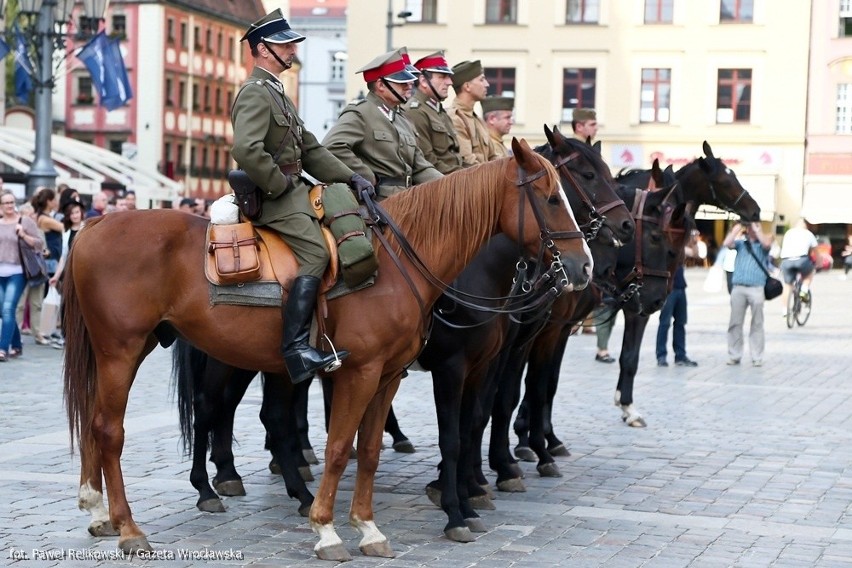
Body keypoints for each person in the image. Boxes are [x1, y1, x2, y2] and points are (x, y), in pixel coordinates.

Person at [231, 8, 374, 384]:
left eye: (292, 44)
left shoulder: (279, 94)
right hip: (275, 197)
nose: (293, 50)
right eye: (285, 44)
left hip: (294, 191)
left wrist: (352, 177)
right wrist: (280, 185)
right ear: (263, 49)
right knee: (315, 252)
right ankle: (295, 348)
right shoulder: (255, 93)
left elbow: (310, 150)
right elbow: (246, 149)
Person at [323, 48, 442, 200]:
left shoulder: (402, 119)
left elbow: (419, 166)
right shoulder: (361, 113)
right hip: (376, 201)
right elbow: (332, 147)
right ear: (381, 85)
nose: (410, 84)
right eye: (402, 82)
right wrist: (367, 176)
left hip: (408, 199)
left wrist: (450, 185)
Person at [0, 190, 44, 362]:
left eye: (12, 202)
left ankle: (3, 348)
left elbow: (39, 244)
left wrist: (24, 235)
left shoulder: (24, 221)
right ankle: (17, 344)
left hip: (17, 273)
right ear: (1, 206)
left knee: (8, 308)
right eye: (6, 203)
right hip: (0, 273)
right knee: (3, 311)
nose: (9, 206)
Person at [403, 51, 464, 174]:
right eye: (442, 77)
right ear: (424, 81)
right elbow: (428, 161)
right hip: (439, 183)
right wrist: (466, 176)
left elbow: (454, 156)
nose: (449, 82)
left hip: (454, 178)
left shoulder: (438, 110)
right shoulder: (415, 111)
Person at [723, 221, 774, 367]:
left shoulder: (763, 244)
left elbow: (766, 244)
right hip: (738, 287)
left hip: (756, 287)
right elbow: (726, 243)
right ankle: (734, 354)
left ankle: (757, 356)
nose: (751, 228)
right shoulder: (740, 244)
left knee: (757, 323)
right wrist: (737, 228)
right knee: (735, 323)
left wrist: (757, 230)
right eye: (749, 227)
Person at [447, 60, 499, 166]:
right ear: (467, 86)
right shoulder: (454, 119)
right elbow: (468, 163)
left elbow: (494, 156)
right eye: (482, 80)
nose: (487, 84)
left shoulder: (477, 120)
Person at [656, 264, 698, 367]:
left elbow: (694, 253)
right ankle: (661, 356)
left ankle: (680, 355)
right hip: (668, 289)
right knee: (664, 323)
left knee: (680, 323)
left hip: (680, 286)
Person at [778, 218, 817, 315]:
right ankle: (804, 290)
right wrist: (818, 262)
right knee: (810, 272)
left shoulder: (788, 233)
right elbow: (816, 251)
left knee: (787, 286)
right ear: (805, 225)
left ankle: (784, 311)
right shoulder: (808, 233)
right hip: (801, 260)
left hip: (786, 261)